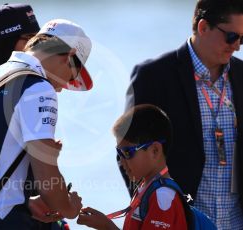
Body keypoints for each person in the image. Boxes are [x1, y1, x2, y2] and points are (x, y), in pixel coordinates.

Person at [124, 0, 243, 228]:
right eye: (231, 37)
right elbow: (128, 152)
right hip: (180, 222)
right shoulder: (152, 76)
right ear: (203, 27)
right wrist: (156, 213)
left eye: (242, 38)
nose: (237, 46)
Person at [0, 19, 93, 229]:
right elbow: (47, 180)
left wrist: (26, 202)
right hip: (8, 222)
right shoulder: (38, 88)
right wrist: (69, 208)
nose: (62, 88)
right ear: (70, 55)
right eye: (71, 77)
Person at [77, 104, 188, 229]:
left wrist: (107, 227)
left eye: (127, 152)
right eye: (119, 153)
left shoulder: (163, 196)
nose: (121, 161)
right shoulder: (145, 187)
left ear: (155, 150)